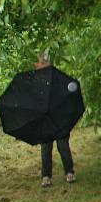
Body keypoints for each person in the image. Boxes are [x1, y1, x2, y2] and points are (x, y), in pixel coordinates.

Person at [35, 53, 76, 187]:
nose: (37, 65)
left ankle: (69, 172)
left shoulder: (57, 79)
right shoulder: (37, 82)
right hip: (45, 122)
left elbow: (66, 96)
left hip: (59, 121)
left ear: (47, 64)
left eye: (40, 62)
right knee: (45, 149)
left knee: (63, 146)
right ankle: (46, 176)